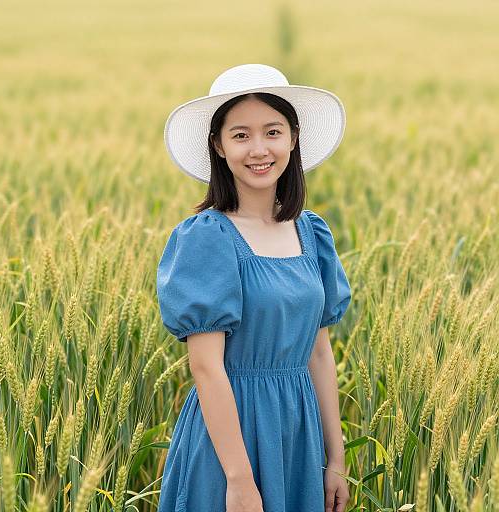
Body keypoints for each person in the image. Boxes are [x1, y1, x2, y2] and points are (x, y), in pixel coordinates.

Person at [156, 63, 352, 512]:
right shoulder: (207, 237)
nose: (259, 149)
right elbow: (206, 367)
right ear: (218, 146)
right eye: (240, 135)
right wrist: (239, 480)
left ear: (293, 138)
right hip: (230, 442)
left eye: (273, 131)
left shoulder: (312, 233)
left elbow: (319, 352)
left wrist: (335, 456)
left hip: (297, 434)